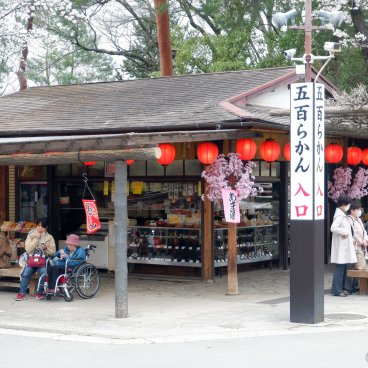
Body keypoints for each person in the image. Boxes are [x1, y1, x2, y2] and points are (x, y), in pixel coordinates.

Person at [16, 219, 56, 301]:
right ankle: (21, 294)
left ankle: (39, 293)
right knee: (26, 273)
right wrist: (36, 239)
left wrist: (46, 248)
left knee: (43, 273)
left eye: (42, 227)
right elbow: (28, 249)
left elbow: (53, 252)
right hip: (31, 261)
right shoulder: (31, 235)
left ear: (46, 227)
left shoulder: (49, 237)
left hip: (43, 261)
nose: (40, 228)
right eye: (38, 226)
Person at [330, 194, 357, 297]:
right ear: (343, 204)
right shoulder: (339, 215)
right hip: (341, 246)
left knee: (342, 267)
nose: (349, 206)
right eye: (348, 204)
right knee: (340, 267)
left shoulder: (342, 214)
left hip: (344, 245)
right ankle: (337, 290)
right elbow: (333, 228)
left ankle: (339, 289)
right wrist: (344, 232)